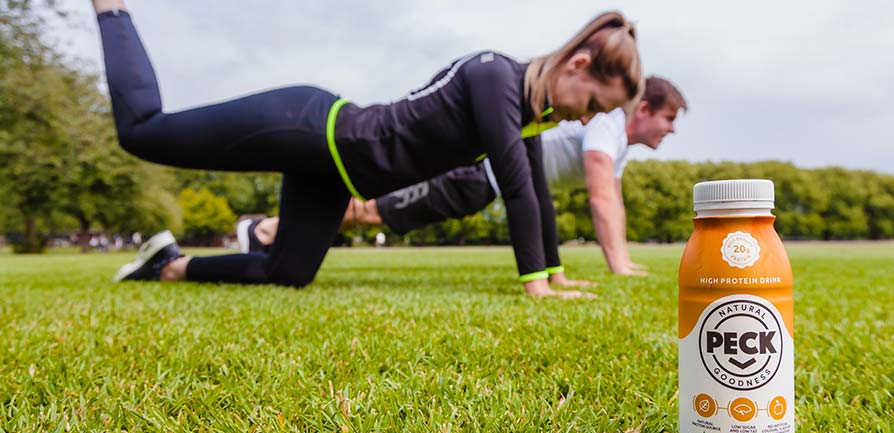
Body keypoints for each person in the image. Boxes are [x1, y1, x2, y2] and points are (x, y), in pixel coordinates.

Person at [96, 0, 642, 297]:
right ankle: (112, 9)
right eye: (594, 102)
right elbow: (516, 189)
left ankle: (169, 266)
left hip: (334, 175)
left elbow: (536, 189)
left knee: (288, 274)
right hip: (309, 128)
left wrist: (554, 269)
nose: (585, 117)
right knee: (143, 130)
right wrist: (535, 286)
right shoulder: (494, 76)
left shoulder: (527, 112)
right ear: (577, 66)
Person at [238, 76, 686, 279]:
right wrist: (617, 266)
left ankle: (273, 230)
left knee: (379, 215)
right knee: (376, 212)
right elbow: (601, 197)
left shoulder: (621, 145)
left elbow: (615, 199)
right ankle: (265, 229)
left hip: (491, 184)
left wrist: (624, 261)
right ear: (642, 109)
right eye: (668, 118)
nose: (671, 130)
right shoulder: (607, 126)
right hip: (477, 171)